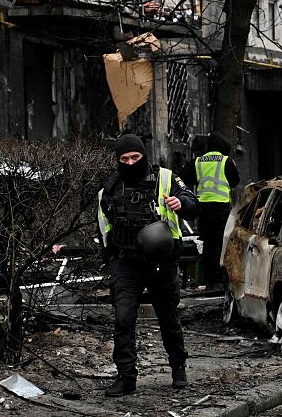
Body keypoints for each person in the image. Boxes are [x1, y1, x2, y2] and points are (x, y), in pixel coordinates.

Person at [97, 134, 198, 397]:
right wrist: (111, 257)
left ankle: (178, 367)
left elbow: (192, 202)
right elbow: (104, 226)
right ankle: (126, 378)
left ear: (144, 156)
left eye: (135, 157)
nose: (130, 162)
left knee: (168, 318)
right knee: (123, 319)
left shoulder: (165, 178)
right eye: (124, 158)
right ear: (118, 160)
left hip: (160, 262)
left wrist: (179, 203)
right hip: (125, 262)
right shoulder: (110, 188)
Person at [182, 132, 240, 288]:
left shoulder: (198, 161)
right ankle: (221, 278)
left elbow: (184, 178)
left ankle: (209, 279)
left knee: (207, 244)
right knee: (221, 243)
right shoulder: (226, 161)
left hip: (203, 208)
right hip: (221, 208)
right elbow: (235, 181)